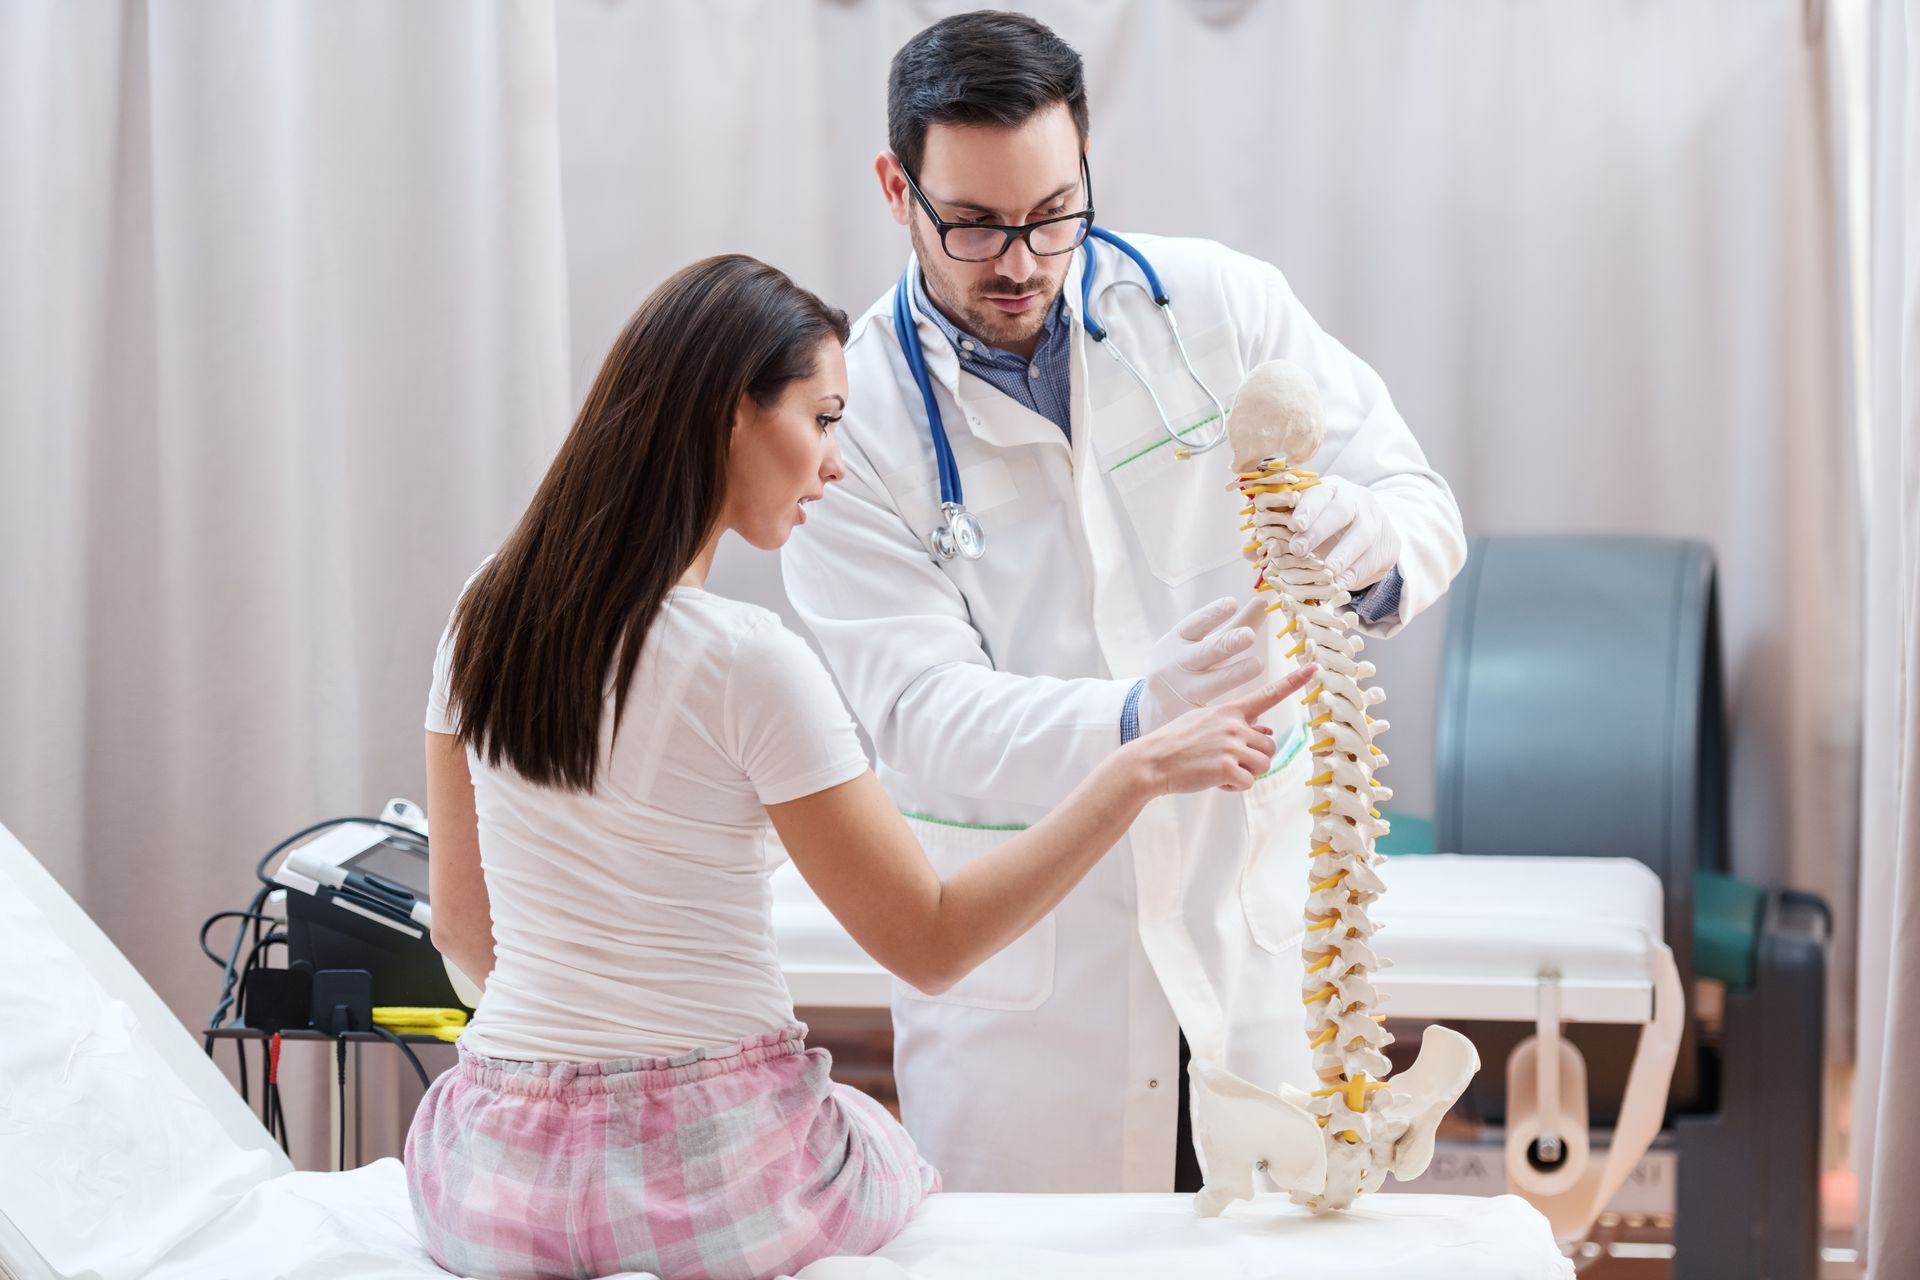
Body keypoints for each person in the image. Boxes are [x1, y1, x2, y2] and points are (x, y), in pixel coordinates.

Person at [406, 253, 1317, 1280]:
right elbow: (929, 942)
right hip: (719, 1191)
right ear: (731, 415)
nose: (836, 463)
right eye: (825, 417)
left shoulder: (479, 619)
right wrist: (1140, 766)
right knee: (882, 1146)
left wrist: (576, 1079)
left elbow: (463, 930)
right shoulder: (746, 659)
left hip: (493, 1175)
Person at [780, 10, 1467, 1194]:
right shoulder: (855, 418)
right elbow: (919, 713)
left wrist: (1379, 538)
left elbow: (1416, 493)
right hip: (1040, 1008)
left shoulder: (1217, 304)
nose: (1021, 262)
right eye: (978, 225)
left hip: (1254, 948)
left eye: (1053, 214)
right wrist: (1137, 721)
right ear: (898, 186)